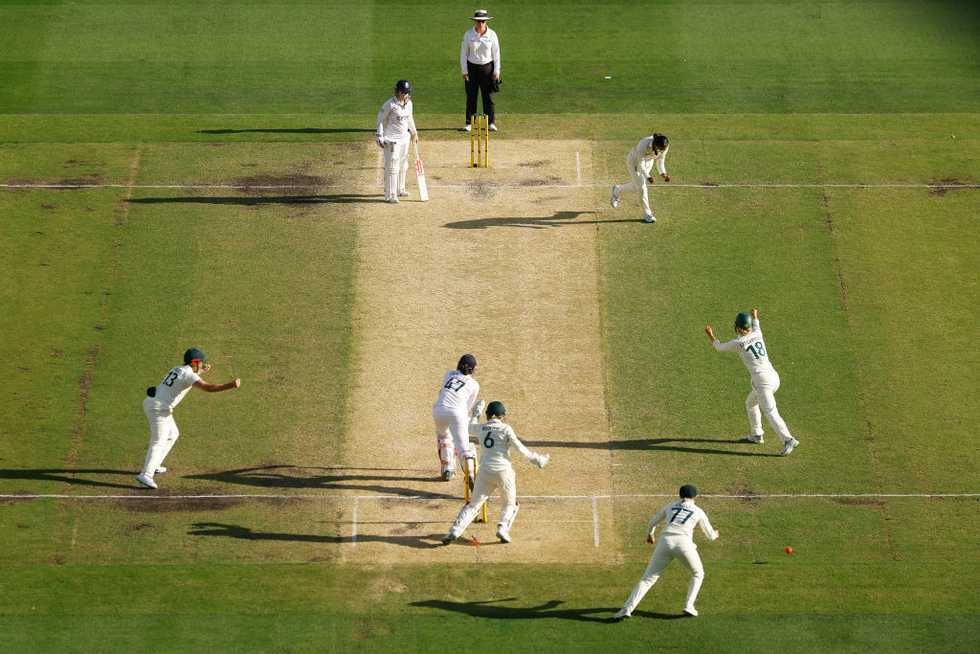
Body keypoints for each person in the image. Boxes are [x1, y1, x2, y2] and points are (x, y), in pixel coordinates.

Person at [440, 401, 549, 544]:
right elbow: (520, 448)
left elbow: (469, 427)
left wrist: (475, 414)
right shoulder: (506, 429)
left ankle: (455, 530)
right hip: (504, 472)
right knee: (511, 504)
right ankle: (502, 528)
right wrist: (537, 459)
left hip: (485, 472)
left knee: (473, 505)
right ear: (502, 416)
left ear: (488, 415)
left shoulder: (482, 428)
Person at [136, 348, 241, 489]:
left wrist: (201, 371)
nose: (203, 364)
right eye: (201, 362)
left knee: (172, 434)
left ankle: (154, 465)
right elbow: (208, 388)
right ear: (194, 362)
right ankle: (146, 475)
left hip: (156, 404)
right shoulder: (189, 375)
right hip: (158, 409)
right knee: (159, 441)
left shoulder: (178, 369)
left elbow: (188, 378)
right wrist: (231, 385)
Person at [613, 484, 718, 620]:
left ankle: (627, 609)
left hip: (664, 543)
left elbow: (652, 521)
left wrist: (650, 534)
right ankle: (689, 606)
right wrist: (715, 534)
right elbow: (710, 536)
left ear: (680, 495)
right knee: (698, 573)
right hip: (684, 545)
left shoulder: (670, 506)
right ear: (695, 496)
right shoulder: (698, 511)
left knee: (647, 579)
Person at [705, 308, 800, 455]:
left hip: (763, 383)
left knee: (771, 412)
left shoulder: (739, 343)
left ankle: (788, 440)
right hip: (773, 377)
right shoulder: (757, 333)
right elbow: (756, 323)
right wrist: (755, 315)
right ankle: (757, 434)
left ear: (738, 328)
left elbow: (719, 347)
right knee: (750, 403)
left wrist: (710, 335)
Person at [432, 354, 482, 482]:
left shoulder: (449, 374)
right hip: (457, 412)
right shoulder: (474, 385)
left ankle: (448, 468)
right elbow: (467, 407)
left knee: (444, 437)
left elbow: (442, 391)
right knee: (463, 448)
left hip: (439, 410)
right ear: (472, 369)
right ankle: (471, 476)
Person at [610, 132, 671, 223]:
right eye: (660, 149)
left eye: (663, 150)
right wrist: (648, 176)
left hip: (648, 162)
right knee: (642, 187)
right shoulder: (643, 143)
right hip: (634, 162)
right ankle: (648, 214)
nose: (661, 151)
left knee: (636, 187)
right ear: (655, 144)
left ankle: (617, 189)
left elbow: (660, 160)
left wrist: (663, 174)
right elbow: (641, 164)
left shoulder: (665, 146)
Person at [375, 79, 418, 204]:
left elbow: (410, 118)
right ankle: (390, 195)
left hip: (404, 138)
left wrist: (414, 132)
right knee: (393, 166)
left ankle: (401, 189)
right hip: (392, 140)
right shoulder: (390, 104)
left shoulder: (409, 104)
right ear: (399, 92)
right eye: (405, 92)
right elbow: (380, 119)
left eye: (408, 92)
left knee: (403, 164)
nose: (407, 95)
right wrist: (379, 135)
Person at [460, 9, 501, 132]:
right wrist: (464, 71)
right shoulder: (468, 34)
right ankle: (469, 123)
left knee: (488, 97)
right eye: (478, 21)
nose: (480, 23)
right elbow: (463, 53)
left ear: (486, 22)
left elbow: (496, 54)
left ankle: (491, 123)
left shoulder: (492, 35)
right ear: (475, 21)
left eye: (483, 21)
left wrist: (497, 71)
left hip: (487, 68)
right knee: (471, 97)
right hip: (471, 68)